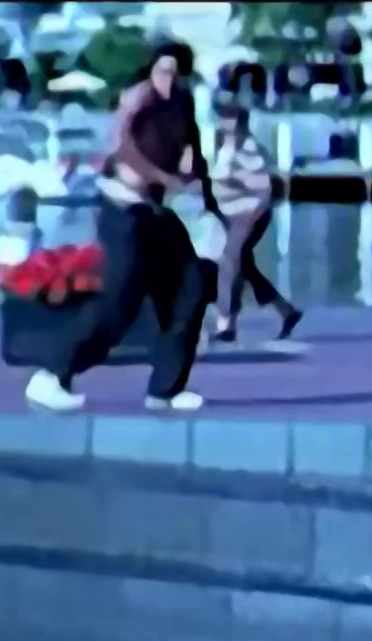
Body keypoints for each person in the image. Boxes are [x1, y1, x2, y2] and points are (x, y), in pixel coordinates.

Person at [26, 42, 217, 414]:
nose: (168, 80)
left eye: (176, 74)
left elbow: (192, 148)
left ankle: (166, 390)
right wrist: (163, 177)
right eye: (163, 72)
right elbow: (121, 146)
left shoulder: (183, 101)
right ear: (151, 71)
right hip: (122, 208)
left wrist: (202, 189)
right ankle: (51, 375)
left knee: (190, 287)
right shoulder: (138, 97)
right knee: (118, 301)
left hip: (158, 211)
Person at [204, 100, 301, 343]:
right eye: (224, 123)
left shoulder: (249, 149)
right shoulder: (224, 148)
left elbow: (263, 190)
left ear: (243, 126)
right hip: (229, 215)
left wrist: (250, 218)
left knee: (229, 261)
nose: (227, 129)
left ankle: (226, 324)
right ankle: (285, 310)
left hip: (248, 215)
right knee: (244, 266)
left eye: (232, 125)